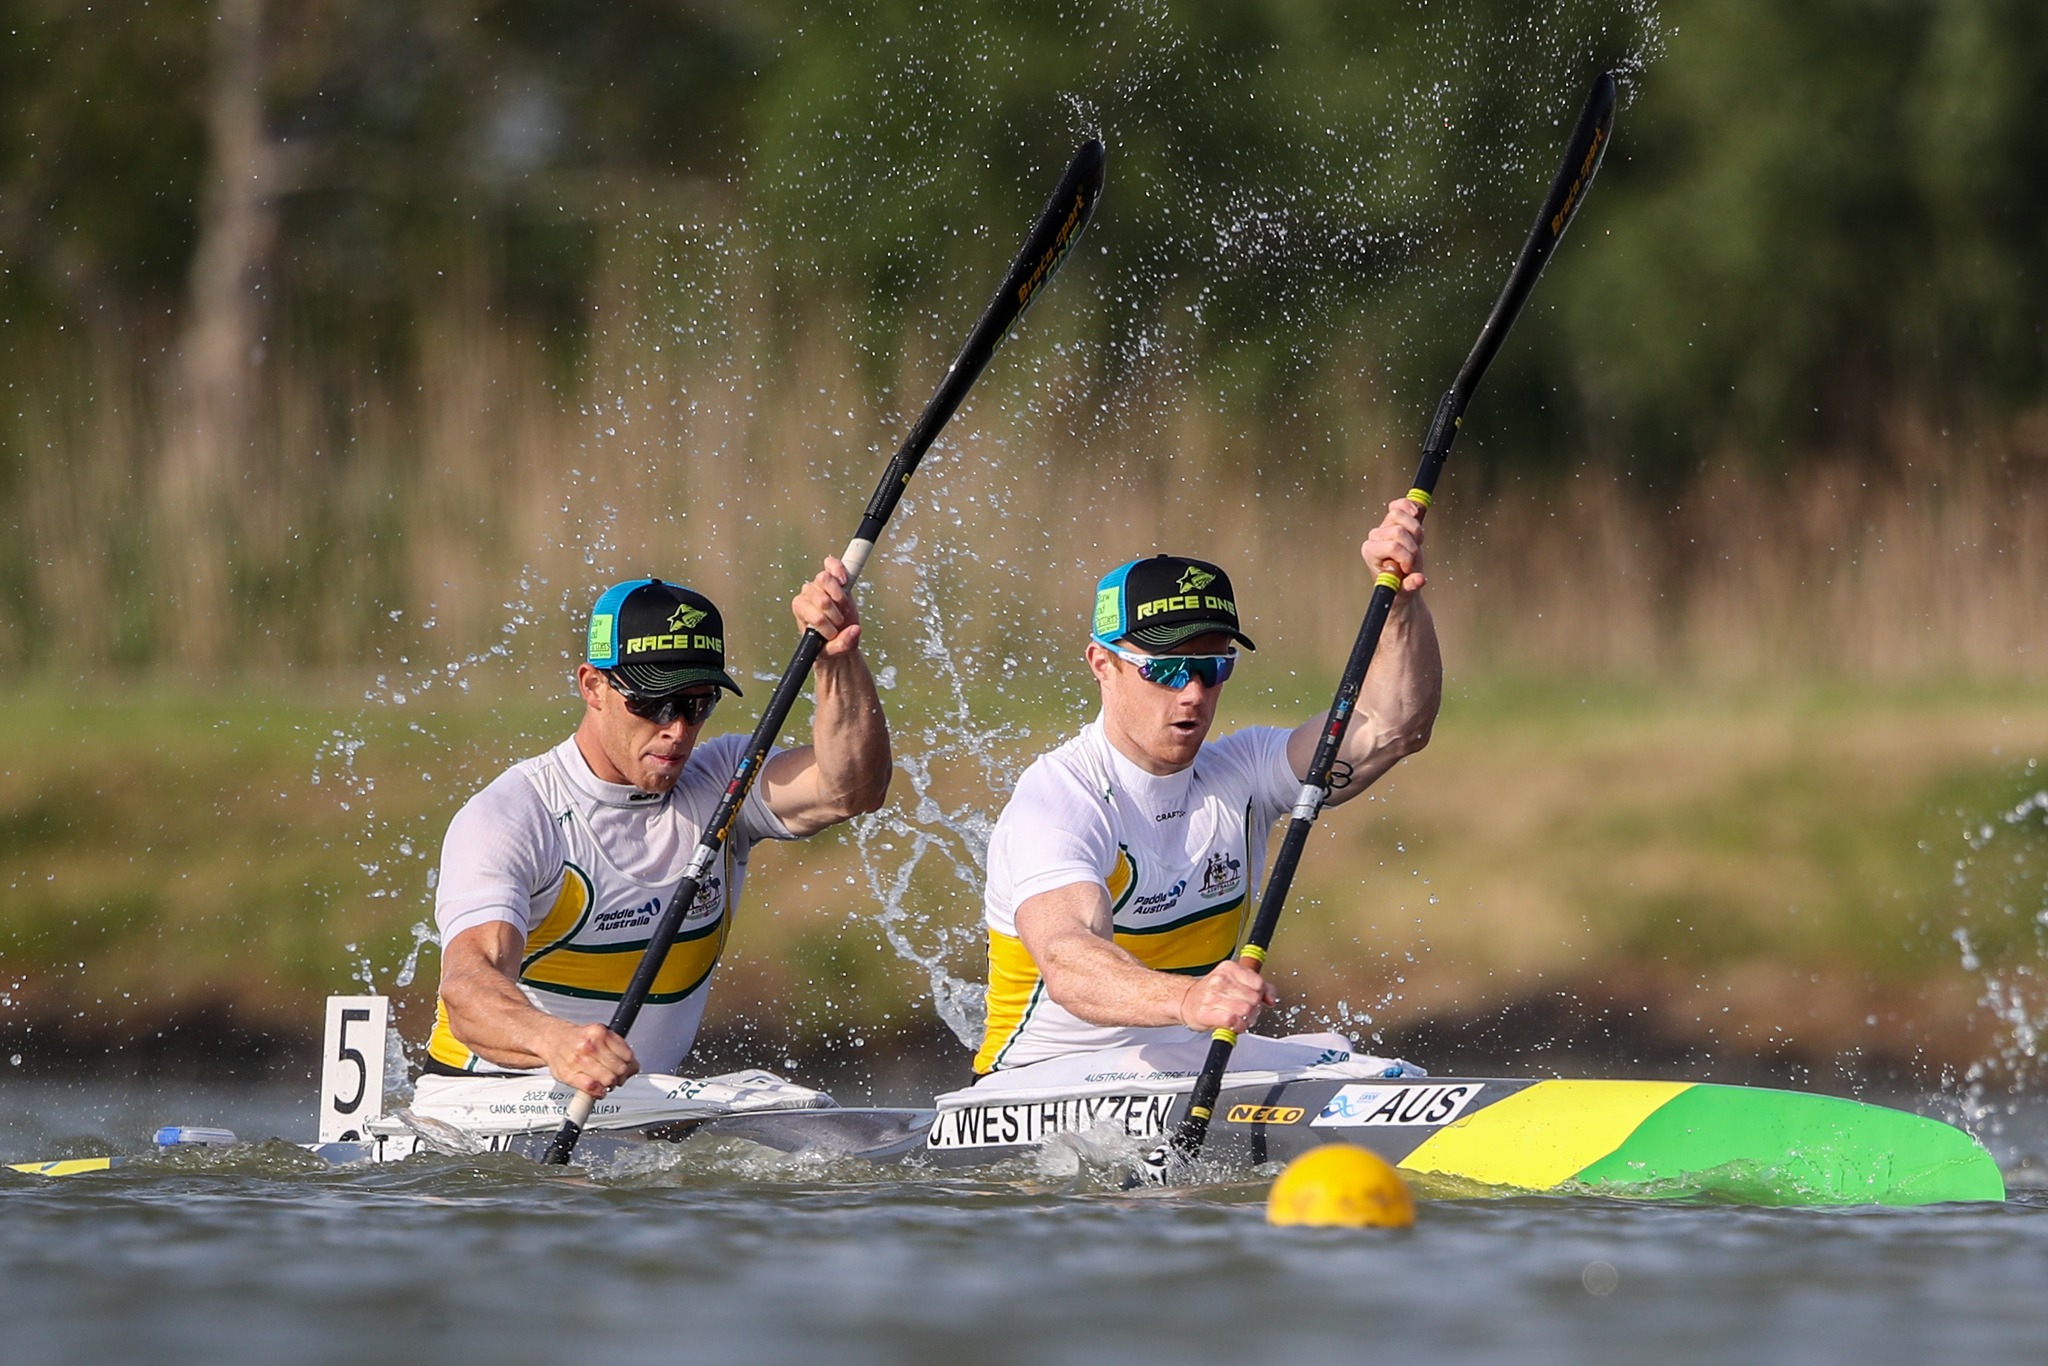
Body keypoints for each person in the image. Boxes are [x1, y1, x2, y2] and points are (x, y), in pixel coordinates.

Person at [972, 501, 1441, 1076]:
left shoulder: (1243, 770)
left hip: (1189, 1058)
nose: (1193, 693)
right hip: (1043, 1076)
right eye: (1166, 668)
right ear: (1102, 663)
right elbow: (1069, 962)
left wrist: (1401, 601)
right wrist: (1188, 1000)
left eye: (1213, 666)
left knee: (1374, 1071)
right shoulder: (1060, 798)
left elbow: (1393, 728)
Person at [424, 561, 890, 1099]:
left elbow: (851, 788)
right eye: (652, 702)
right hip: (480, 1108)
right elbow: (467, 987)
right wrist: (557, 1044)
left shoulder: (724, 780)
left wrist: (838, 660)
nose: (676, 729)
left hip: (627, 1108)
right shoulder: (515, 815)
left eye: (697, 704)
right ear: (593, 685)